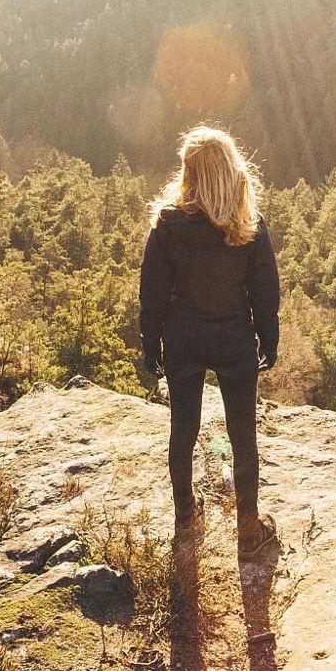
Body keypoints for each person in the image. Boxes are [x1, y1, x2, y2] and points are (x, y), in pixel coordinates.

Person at [137, 126, 280, 542]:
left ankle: (186, 515)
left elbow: (153, 292)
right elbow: (265, 290)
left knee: (183, 430)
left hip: (184, 338)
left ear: (190, 172)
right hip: (234, 339)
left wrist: (152, 345)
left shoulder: (167, 223)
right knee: (242, 435)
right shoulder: (248, 223)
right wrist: (268, 339)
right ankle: (249, 527)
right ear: (231, 170)